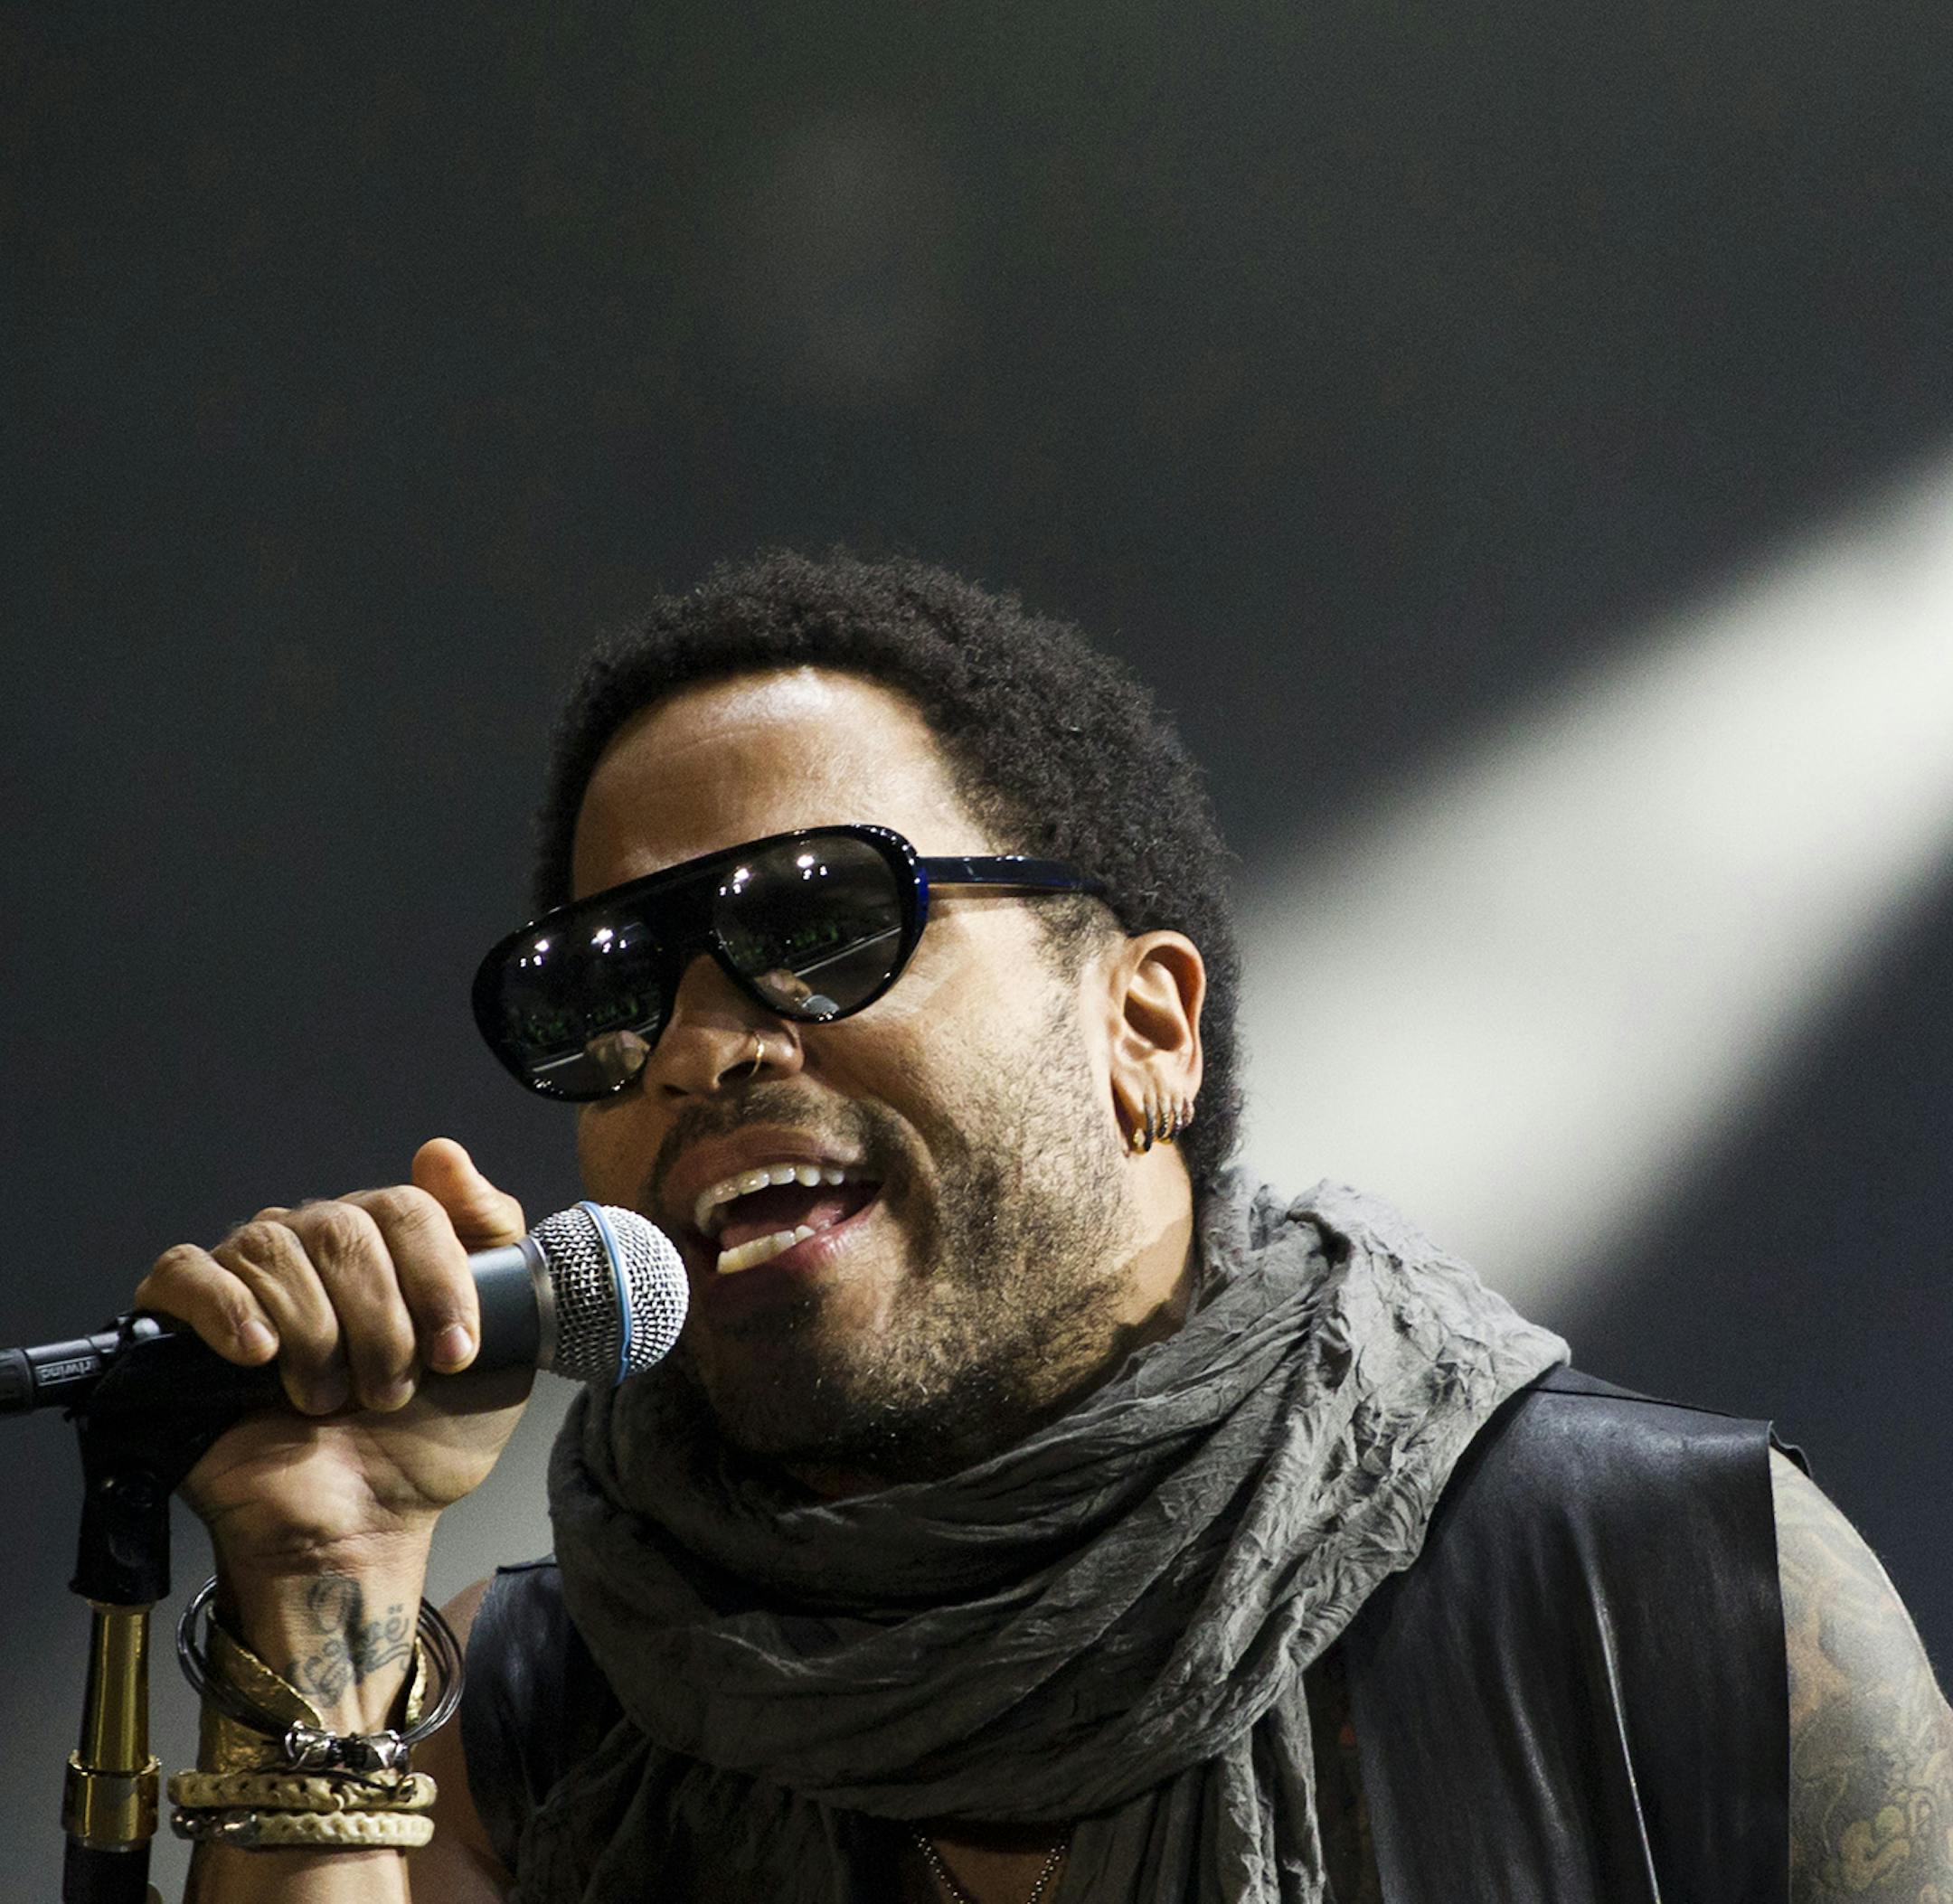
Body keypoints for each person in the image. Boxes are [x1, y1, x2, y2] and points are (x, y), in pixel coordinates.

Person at [141, 551, 1952, 1904]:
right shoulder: (517, 1714)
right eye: (605, 992)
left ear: (1143, 1029)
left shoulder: (1685, 1601)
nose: (696, 1045)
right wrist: (325, 1570)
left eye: (824, 916)